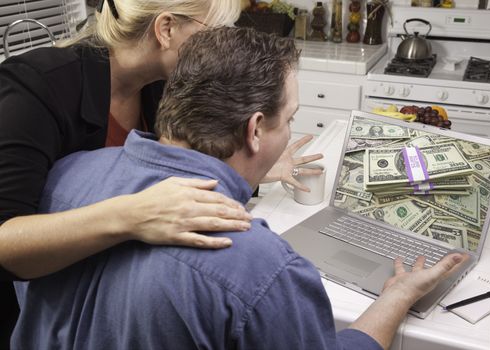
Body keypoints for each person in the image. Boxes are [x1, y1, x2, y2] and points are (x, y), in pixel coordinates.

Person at [12, 27, 468, 350]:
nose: (289, 130)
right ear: (254, 130)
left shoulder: (66, 176)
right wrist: (397, 296)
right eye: (288, 119)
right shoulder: (262, 267)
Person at [0, 0, 321, 345]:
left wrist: (255, 165)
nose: (222, 46)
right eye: (214, 32)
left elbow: (178, 159)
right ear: (166, 28)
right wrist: (132, 214)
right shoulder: (37, 88)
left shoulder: (161, 84)